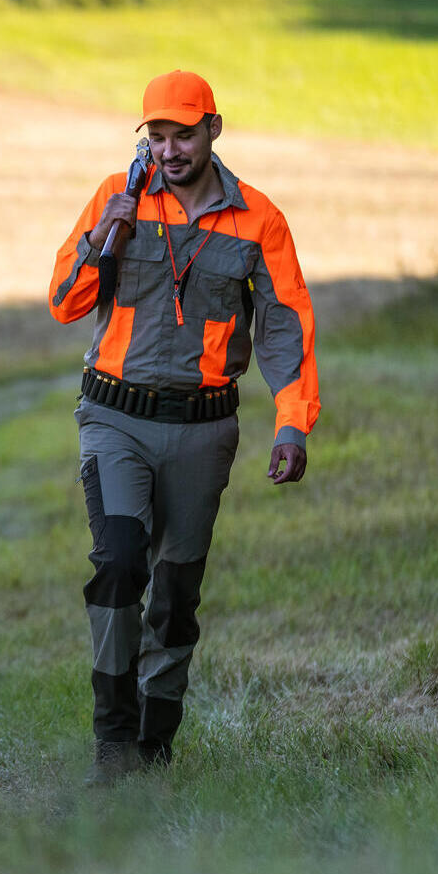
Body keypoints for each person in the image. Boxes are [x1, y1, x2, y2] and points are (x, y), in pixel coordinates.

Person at [49, 72, 320, 779]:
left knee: (174, 596)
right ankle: (113, 744)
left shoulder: (260, 219)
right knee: (116, 567)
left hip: (204, 430)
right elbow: (64, 302)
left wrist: (292, 423)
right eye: (157, 136)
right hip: (115, 418)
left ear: (213, 130)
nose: (169, 149)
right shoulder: (118, 197)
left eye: (183, 134)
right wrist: (110, 229)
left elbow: (284, 327)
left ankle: (156, 744)